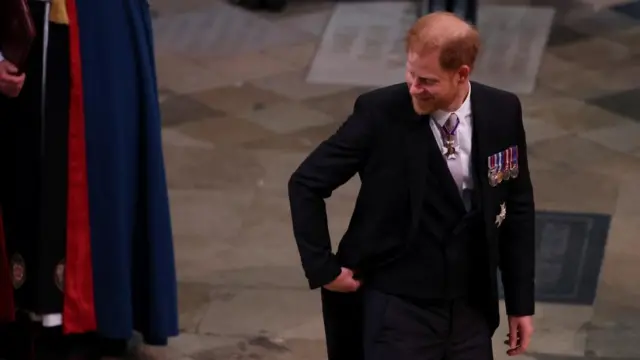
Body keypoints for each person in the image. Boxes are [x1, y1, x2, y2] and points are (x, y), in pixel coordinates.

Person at [288, 11, 535, 360]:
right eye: (410, 73)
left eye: (428, 81)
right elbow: (306, 183)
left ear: (462, 74)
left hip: (470, 308)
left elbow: (517, 207)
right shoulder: (379, 114)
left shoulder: (502, 111)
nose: (414, 87)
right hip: (397, 306)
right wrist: (322, 268)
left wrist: (520, 304)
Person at [0, 0, 178, 358]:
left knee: (106, 161)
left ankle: (100, 311)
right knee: (27, 159)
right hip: (29, 28)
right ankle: (33, 305)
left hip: (102, 25)